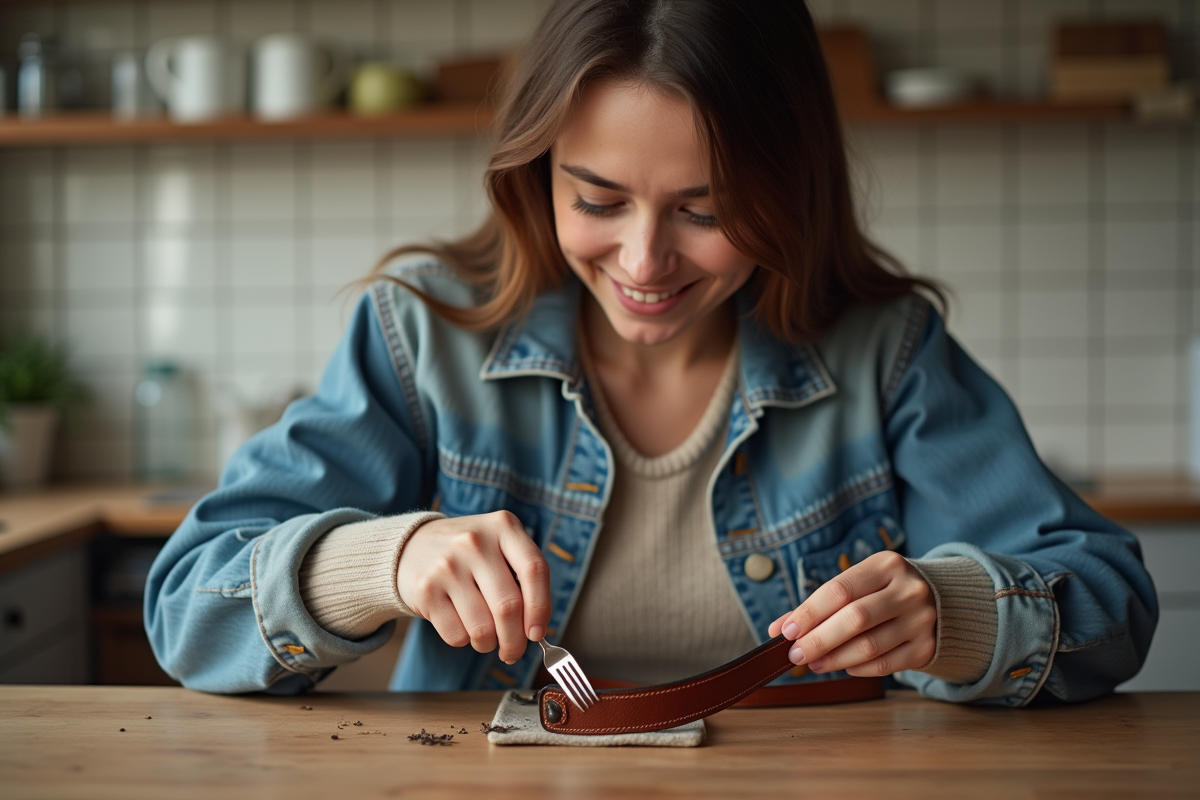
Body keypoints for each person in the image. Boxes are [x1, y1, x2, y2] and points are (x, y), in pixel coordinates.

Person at [145, 0, 1156, 706]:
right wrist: (387, 558)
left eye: (705, 210)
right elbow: (189, 604)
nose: (643, 261)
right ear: (535, 175)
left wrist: (960, 614)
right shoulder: (422, 337)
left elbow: (1111, 602)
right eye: (596, 199)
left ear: (785, 192)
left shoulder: (883, 352)